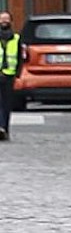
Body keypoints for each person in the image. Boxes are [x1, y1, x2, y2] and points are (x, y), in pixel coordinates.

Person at [0, 11, 20, 142]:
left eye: (6, 19)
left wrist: (18, 74)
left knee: (7, 105)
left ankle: (5, 130)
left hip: (9, 75)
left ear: (11, 21)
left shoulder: (17, 38)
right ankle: (0, 127)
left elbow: (20, 57)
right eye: (2, 19)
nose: (4, 21)